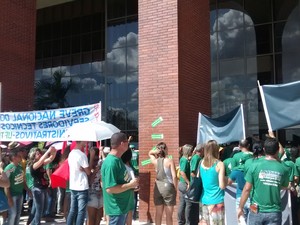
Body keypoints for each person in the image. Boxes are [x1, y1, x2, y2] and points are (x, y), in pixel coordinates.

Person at [237, 136, 289, 225]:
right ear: (277, 150)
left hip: (256, 210)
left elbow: (246, 189)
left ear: (264, 149)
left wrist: (240, 207)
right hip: (274, 212)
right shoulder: (283, 168)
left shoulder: (254, 165)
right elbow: (284, 186)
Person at [101, 132, 139, 225]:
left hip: (121, 208)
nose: (128, 144)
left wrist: (132, 186)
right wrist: (130, 185)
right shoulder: (111, 163)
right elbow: (110, 188)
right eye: (127, 142)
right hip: (116, 209)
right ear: (122, 144)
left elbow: (121, 182)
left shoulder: (118, 160)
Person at [149, 142, 177, 225]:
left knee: (158, 213)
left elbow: (150, 153)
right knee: (169, 215)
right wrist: (175, 188)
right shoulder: (170, 161)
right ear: (166, 150)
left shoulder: (155, 161)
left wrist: (156, 151)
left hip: (158, 187)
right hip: (168, 186)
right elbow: (174, 176)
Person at [200, 140, 226, 225]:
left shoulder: (201, 163)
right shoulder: (219, 164)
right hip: (217, 200)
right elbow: (222, 185)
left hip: (204, 200)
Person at [28, 147, 56, 225]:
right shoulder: (34, 165)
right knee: (39, 210)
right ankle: (36, 223)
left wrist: (54, 152)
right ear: (33, 156)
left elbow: (50, 159)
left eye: (40, 153)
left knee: (43, 210)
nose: (40, 154)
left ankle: (32, 223)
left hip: (43, 189)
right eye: (38, 153)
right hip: (38, 190)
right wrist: (48, 151)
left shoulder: (41, 164)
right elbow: (41, 161)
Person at [67, 141, 91, 225]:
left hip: (73, 185)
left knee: (72, 210)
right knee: (81, 211)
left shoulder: (71, 154)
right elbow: (88, 172)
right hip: (82, 185)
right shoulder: (82, 155)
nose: (86, 142)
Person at [3, 149, 28, 225]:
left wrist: (28, 190)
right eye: (19, 156)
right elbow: (5, 184)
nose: (21, 157)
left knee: (18, 213)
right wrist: (9, 198)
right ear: (14, 157)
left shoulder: (20, 167)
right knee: (13, 214)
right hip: (12, 195)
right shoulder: (9, 168)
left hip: (20, 194)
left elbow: (23, 180)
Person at [177, 144, 193, 225]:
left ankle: (180, 222)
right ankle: (187, 222)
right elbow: (182, 172)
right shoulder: (184, 160)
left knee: (182, 203)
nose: (192, 152)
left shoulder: (184, 159)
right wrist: (188, 182)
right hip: (184, 183)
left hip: (182, 183)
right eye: (191, 150)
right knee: (188, 203)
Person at [87, 147, 103, 225]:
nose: (96, 162)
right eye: (94, 160)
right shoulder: (88, 168)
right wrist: (95, 171)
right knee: (91, 219)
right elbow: (90, 181)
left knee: (98, 218)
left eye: (97, 160)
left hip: (101, 193)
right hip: (91, 193)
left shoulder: (100, 165)